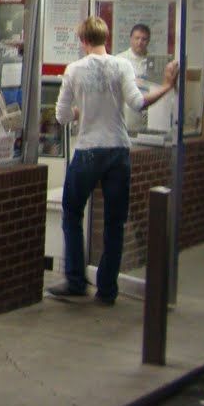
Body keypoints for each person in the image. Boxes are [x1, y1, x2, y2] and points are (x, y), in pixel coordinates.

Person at [48, 16, 179, 304]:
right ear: (105, 38)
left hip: (89, 149)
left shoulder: (74, 70)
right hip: (119, 149)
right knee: (115, 222)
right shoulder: (122, 65)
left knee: (71, 213)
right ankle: (107, 290)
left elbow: (61, 116)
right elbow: (138, 102)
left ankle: (76, 280)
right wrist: (168, 85)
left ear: (83, 40)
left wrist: (79, 114)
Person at [118, 23, 154, 132]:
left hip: (148, 112)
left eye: (144, 39)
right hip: (126, 115)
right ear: (131, 39)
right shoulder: (120, 60)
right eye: (137, 38)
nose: (140, 42)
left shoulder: (153, 61)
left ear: (148, 41)